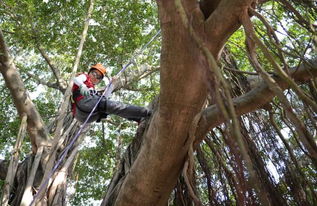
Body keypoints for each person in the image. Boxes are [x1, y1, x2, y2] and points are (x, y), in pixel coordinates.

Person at [71, 63, 151, 123]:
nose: (95, 77)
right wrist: (82, 86)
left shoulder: (93, 90)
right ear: (89, 72)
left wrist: (112, 84)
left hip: (87, 116)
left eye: (98, 77)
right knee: (113, 105)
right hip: (82, 106)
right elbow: (76, 79)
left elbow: (105, 98)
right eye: (94, 73)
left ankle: (138, 118)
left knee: (109, 107)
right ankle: (145, 112)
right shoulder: (85, 77)